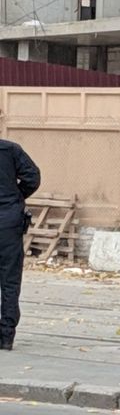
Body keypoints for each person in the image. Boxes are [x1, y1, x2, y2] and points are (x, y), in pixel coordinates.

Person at [0, 138, 40, 350]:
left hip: (9, 217)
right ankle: (6, 336)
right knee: (10, 280)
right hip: (8, 222)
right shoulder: (11, 150)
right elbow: (32, 177)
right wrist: (15, 198)